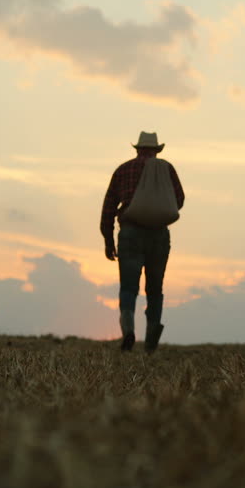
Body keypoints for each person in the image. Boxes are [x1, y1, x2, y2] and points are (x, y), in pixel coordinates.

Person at [100, 131, 185, 352]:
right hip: (159, 235)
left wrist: (108, 240)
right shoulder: (166, 169)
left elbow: (108, 206)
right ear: (157, 151)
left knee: (129, 287)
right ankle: (150, 343)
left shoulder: (123, 169)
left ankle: (128, 331)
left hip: (130, 233)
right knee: (155, 290)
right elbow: (179, 200)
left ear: (137, 149)